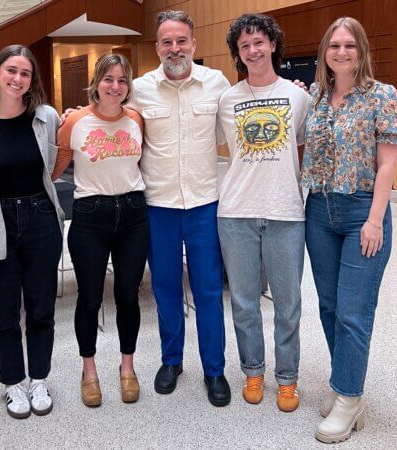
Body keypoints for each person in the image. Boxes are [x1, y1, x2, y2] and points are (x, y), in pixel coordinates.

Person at [302, 17, 397, 443]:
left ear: (361, 50)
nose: (341, 52)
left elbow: (388, 163)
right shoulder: (317, 96)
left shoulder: (383, 96)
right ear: (325, 51)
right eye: (334, 45)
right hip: (319, 211)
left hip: (362, 209)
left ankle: (348, 397)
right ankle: (343, 383)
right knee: (328, 306)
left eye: (349, 45)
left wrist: (375, 220)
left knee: (352, 312)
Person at [131, 10, 232, 406]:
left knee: (208, 290)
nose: (175, 49)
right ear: (157, 47)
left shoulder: (216, 84)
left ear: (193, 44)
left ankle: (214, 369)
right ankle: (171, 360)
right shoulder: (140, 89)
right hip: (159, 205)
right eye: (167, 42)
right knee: (165, 288)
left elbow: (234, 128)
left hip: (205, 203)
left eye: (181, 41)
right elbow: (111, 121)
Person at [0, 45, 63, 419]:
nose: (18, 79)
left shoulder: (46, 117)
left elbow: (53, 164)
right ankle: (12, 383)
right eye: (11, 71)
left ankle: (38, 378)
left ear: (32, 79)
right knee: (3, 311)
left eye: (25, 73)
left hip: (40, 216)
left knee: (41, 307)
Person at [217, 13, 312, 413]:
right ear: (238, 54)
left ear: (273, 44)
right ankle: (253, 370)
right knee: (243, 301)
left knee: (288, 302)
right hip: (236, 211)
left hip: (286, 213)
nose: (253, 50)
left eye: (259, 42)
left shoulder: (299, 97)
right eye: (244, 45)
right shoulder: (227, 100)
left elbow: (302, 149)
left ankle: (287, 379)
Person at [53, 53, 149, 407]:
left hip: (134, 214)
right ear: (96, 82)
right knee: (90, 297)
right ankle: (89, 369)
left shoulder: (136, 119)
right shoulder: (75, 121)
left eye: (122, 80)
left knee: (128, 295)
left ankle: (127, 368)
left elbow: (146, 160)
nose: (115, 86)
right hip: (90, 215)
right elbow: (53, 169)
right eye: (108, 79)